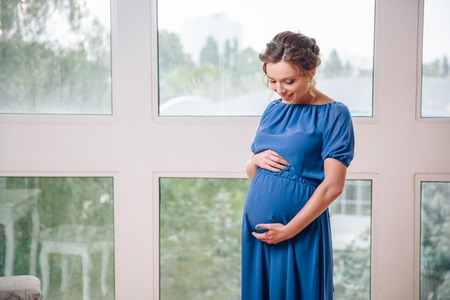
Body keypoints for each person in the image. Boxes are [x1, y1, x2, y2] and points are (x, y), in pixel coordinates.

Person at [241, 31, 355, 300]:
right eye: (272, 81)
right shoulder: (273, 109)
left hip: (299, 230)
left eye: (289, 81)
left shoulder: (334, 114)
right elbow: (255, 174)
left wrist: (289, 229)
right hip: (260, 233)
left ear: (311, 71)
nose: (280, 90)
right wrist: (252, 161)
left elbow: (333, 186)